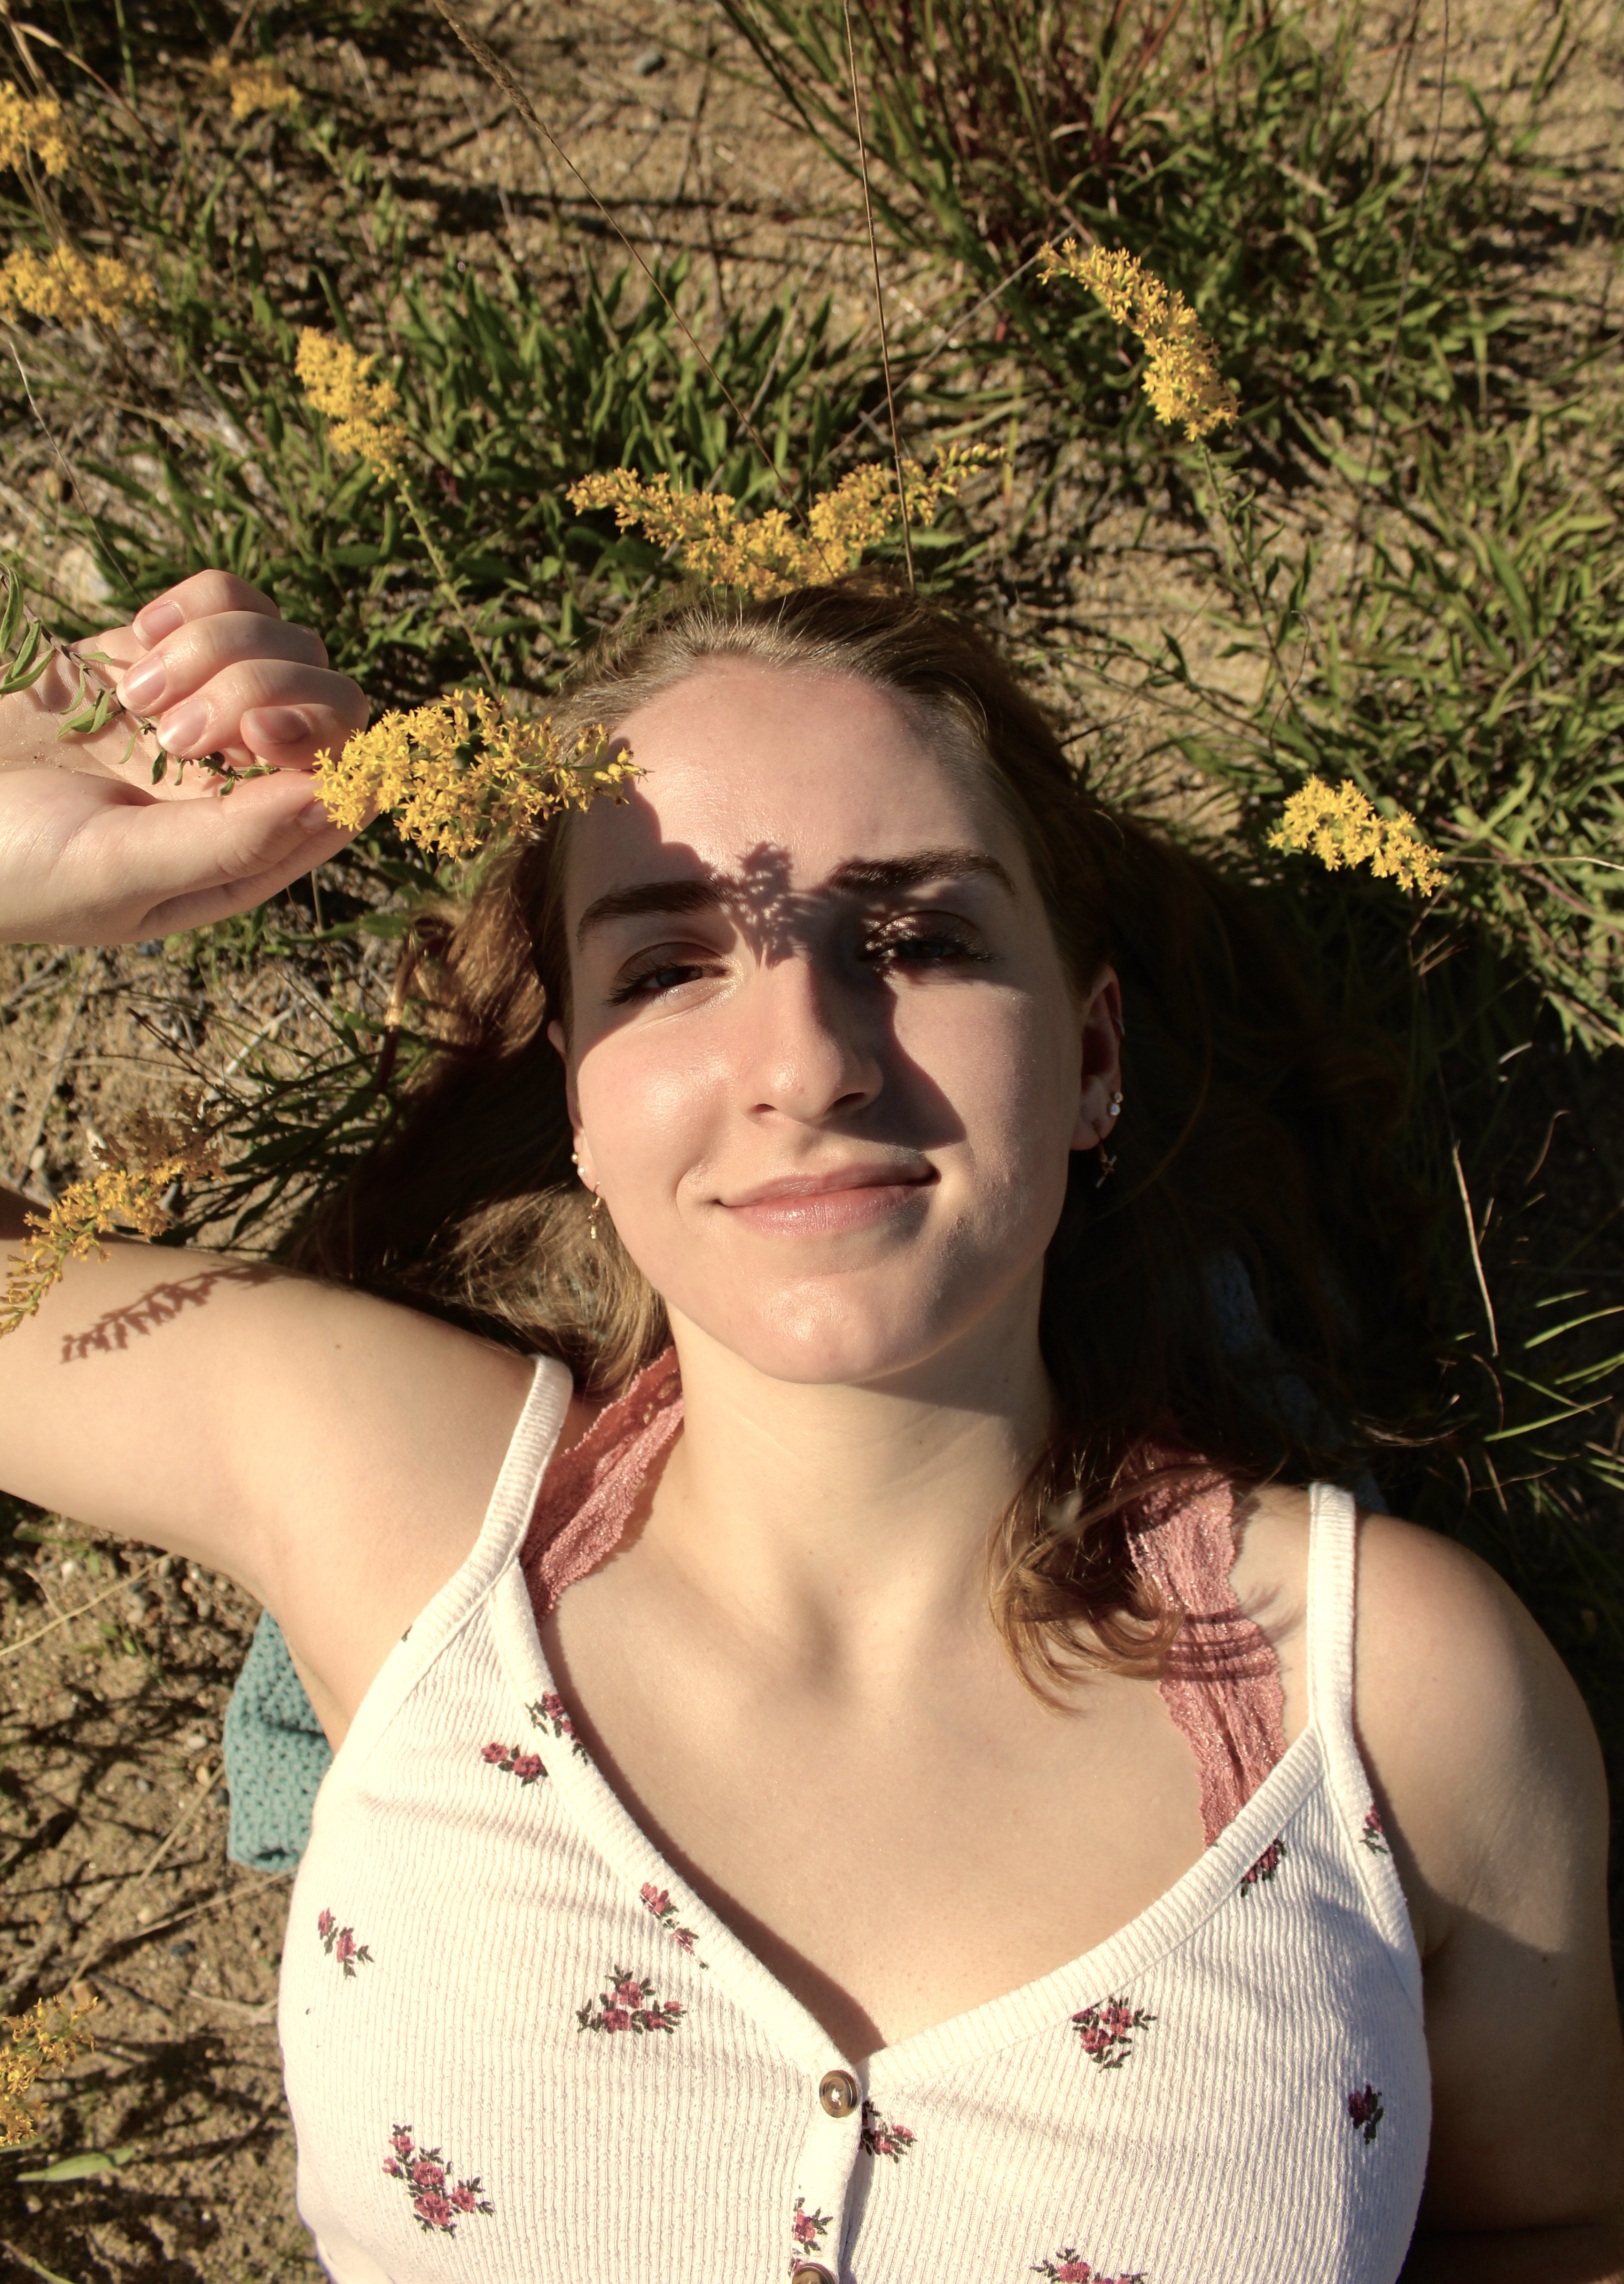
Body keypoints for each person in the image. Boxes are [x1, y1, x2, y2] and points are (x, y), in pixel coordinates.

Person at [0, 568, 1620, 2284]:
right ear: (577, 1099)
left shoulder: (1391, 1698)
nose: (808, 1061)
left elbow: (1561, 2228)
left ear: (1090, 1057)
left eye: (916, 940)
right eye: (671, 965)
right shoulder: (394, 1503)